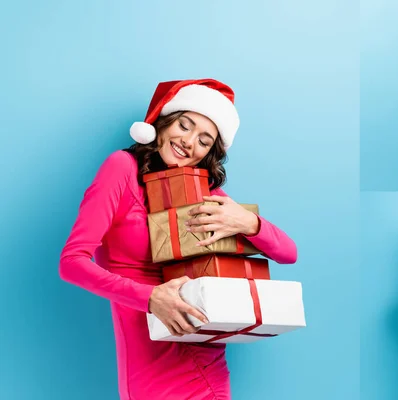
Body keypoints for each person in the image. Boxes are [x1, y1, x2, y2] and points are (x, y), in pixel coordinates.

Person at [59, 78, 297, 400]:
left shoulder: (204, 193)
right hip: (151, 370)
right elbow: (71, 263)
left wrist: (249, 222)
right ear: (164, 122)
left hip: (207, 366)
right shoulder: (122, 170)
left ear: (210, 152)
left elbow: (288, 252)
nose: (188, 142)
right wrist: (150, 298)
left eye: (204, 140)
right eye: (184, 125)